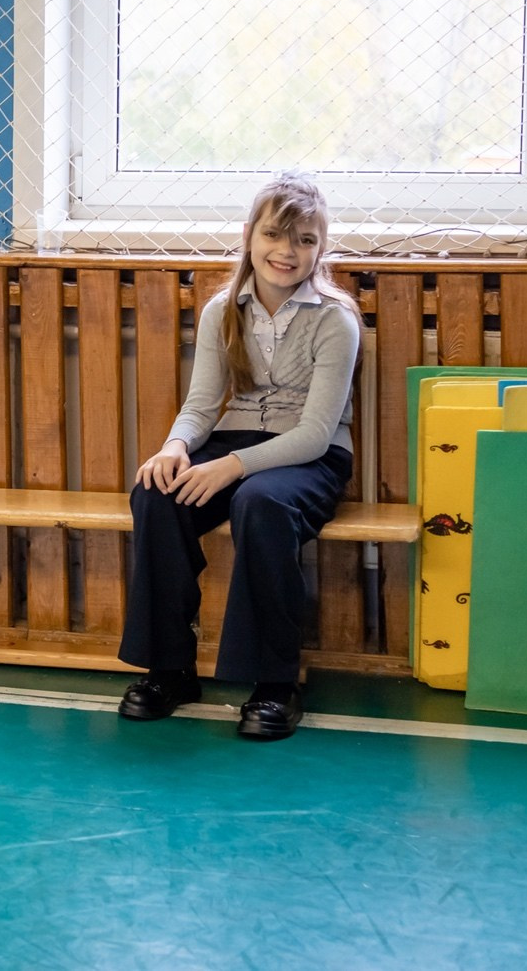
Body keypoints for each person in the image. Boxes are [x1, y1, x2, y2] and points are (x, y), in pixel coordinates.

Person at [116, 173, 361, 740]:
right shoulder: (222, 311)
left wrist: (232, 467)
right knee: (155, 494)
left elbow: (316, 433)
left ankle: (276, 683)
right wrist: (174, 447)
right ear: (250, 235)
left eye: (305, 240)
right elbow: (201, 406)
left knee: (261, 503)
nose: (288, 252)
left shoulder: (334, 318)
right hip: (237, 441)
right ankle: (169, 671)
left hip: (309, 457)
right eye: (277, 235)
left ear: (320, 248)